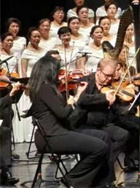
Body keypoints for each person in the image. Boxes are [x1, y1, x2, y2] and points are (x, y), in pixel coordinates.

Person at [26, 55, 110, 187]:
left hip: (60, 131)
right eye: (58, 71)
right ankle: (71, 179)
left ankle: (99, 182)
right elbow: (63, 113)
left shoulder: (47, 88)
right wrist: (72, 101)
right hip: (51, 136)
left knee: (103, 136)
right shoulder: (45, 89)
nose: (60, 74)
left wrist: (77, 95)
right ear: (50, 72)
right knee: (100, 148)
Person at [72, 58, 129, 187]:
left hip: (103, 125)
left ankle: (103, 163)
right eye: (107, 75)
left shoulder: (110, 85)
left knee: (122, 135)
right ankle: (103, 178)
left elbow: (116, 109)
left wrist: (125, 105)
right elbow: (82, 99)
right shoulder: (85, 81)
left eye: (111, 76)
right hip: (85, 125)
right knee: (104, 139)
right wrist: (104, 97)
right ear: (98, 71)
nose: (109, 79)